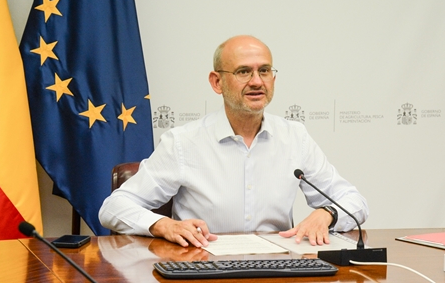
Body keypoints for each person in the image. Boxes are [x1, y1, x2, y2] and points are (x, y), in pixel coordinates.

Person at [99, 35, 368, 248]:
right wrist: (163, 225)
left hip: (278, 269)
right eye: (243, 72)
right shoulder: (183, 142)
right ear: (217, 82)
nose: (256, 81)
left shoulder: (294, 137)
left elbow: (354, 201)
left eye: (264, 71)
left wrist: (327, 214)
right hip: (202, 269)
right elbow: (113, 208)